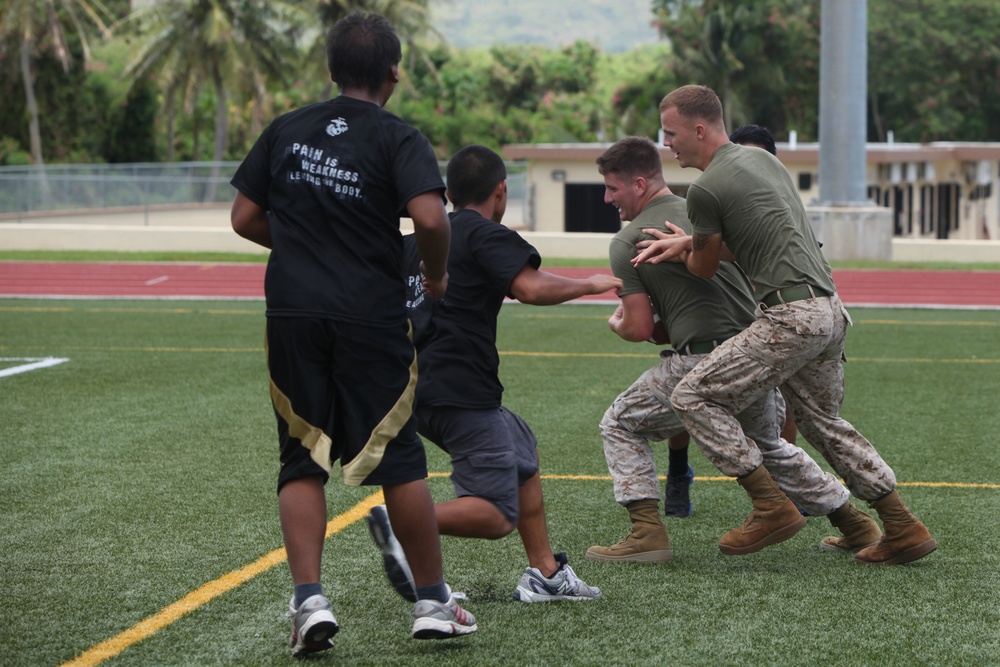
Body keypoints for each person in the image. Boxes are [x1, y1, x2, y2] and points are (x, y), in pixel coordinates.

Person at [229, 12, 476, 657]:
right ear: (394, 74)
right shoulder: (399, 136)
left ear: (333, 70)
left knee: (301, 458)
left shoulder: (286, 128)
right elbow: (429, 215)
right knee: (398, 459)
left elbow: (244, 216)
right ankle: (431, 603)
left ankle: (309, 601)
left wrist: (307, 247)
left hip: (292, 313)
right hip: (369, 314)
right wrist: (437, 275)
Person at [634, 85, 936, 565]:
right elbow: (758, 243)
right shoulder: (766, 163)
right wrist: (693, 241)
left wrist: (688, 249)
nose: (666, 143)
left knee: (692, 395)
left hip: (789, 318)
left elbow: (706, 270)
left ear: (698, 128)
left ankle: (770, 506)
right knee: (824, 423)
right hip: (830, 310)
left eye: (670, 133)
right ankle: (900, 524)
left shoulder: (706, 189)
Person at [585, 136, 879, 563]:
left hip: (703, 359)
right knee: (769, 445)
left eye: (612, 188)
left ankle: (646, 533)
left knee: (620, 423)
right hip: (756, 350)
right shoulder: (707, 211)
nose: (606, 197)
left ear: (639, 183)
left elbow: (641, 327)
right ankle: (854, 522)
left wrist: (617, 325)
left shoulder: (627, 239)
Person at [366, 144, 617, 603]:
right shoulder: (484, 233)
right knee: (498, 513)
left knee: (520, 446)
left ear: (447, 192)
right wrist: (592, 283)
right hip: (461, 388)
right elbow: (530, 288)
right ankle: (403, 522)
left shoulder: (415, 242)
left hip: (415, 389)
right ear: (501, 191)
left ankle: (545, 574)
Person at [658, 124, 794, 520]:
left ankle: (785, 484)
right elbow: (706, 255)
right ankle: (678, 469)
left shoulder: (779, 202)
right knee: (689, 374)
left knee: (788, 393)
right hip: (722, 312)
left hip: (773, 314)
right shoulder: (714, 193)